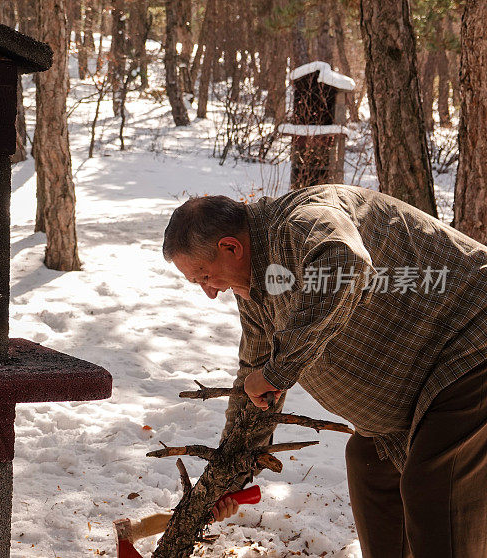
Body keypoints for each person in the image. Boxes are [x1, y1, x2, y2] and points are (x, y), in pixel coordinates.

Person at [163, 184, 487, 558]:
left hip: (471, 347)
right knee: (370, 469)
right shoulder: (255, 286)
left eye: (203, 276)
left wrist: (280, 369)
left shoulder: (303, 223)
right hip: (414, 391)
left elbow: (347, 262)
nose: (209, 292)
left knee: (433, 485)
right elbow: (254, 380)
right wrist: (229, 476)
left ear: (231, 247)